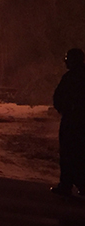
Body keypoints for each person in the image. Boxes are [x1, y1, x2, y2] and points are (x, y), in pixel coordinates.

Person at [51, 48, 85, 196]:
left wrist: (65, 109)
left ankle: (66, 185)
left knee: (68, 153)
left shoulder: (70, 78)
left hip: (72, 121)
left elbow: (58, 97)